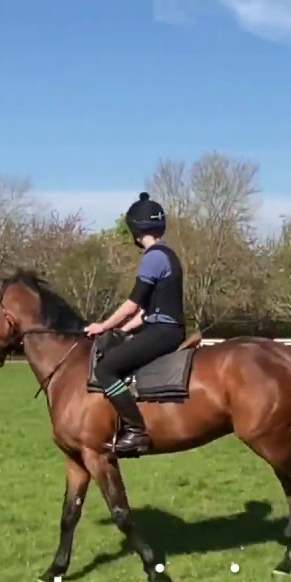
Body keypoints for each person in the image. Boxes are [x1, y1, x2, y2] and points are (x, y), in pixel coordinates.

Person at [84, 192, 187, 456]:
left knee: (106, 369)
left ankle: (135, 431)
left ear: (135, 229)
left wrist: (104, 326)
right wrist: (124, 329)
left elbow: (133, 304)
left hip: (163, 332)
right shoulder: (168, 255)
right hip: (165, 327)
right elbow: (146, 311)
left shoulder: (153, 257)